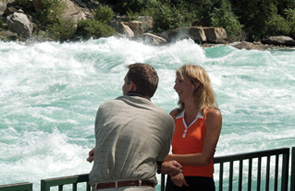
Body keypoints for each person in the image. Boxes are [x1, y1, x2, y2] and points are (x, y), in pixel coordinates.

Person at [87, 63, 182, 191]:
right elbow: (160, 159)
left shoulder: (105, 108)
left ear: (131, 86)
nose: (122, 87)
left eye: (125, 82)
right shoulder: (165, 118)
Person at [165, 64, 222, 191]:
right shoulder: (174, 115)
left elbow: (204, 159)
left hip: (200, 184)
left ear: (195, 84)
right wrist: (174, 170)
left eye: (180, 82)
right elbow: (158, 152)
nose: (175, 87)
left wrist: (167, 159)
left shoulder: (212, 116)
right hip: (174, 181)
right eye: (175, 82)